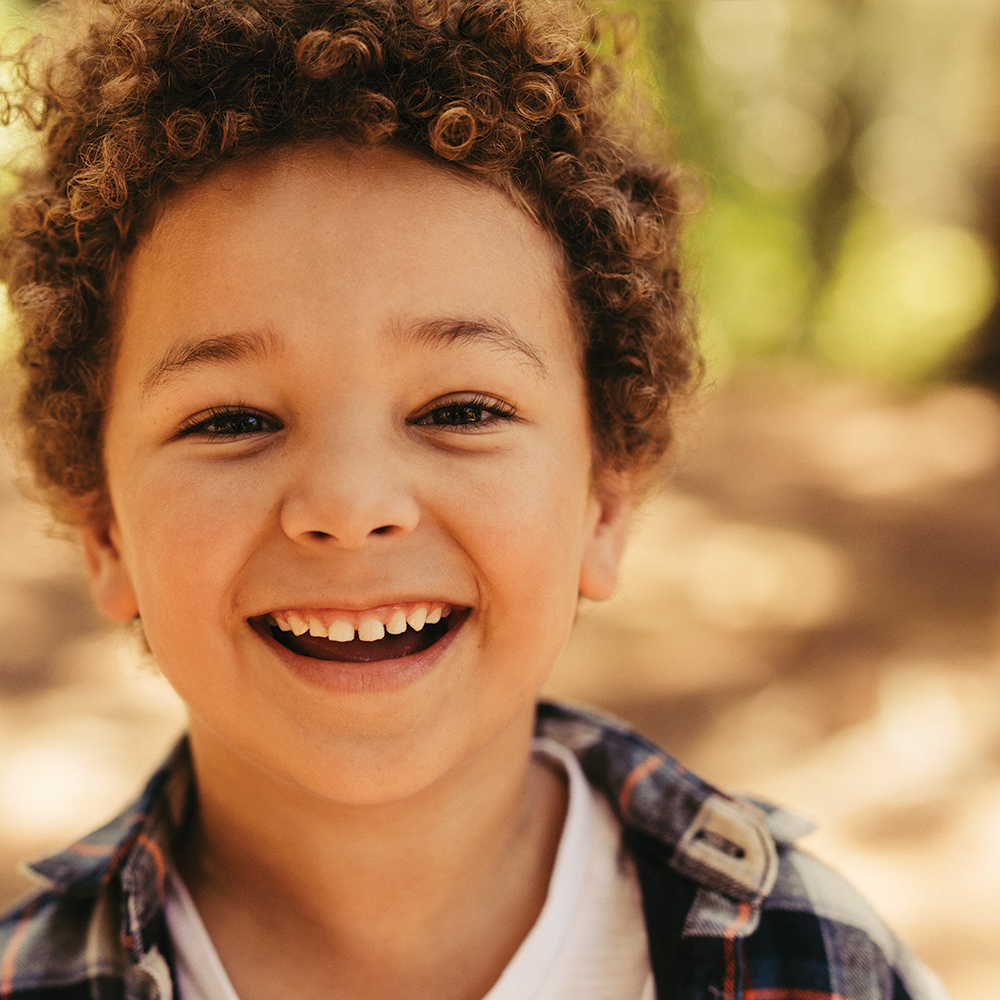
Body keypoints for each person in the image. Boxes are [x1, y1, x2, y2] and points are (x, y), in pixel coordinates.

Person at [0, 1, 948, 998]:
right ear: (104, 528)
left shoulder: (820, 962)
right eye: (232, 420)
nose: (350, 504)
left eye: (459, 407)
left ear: (604, 502)